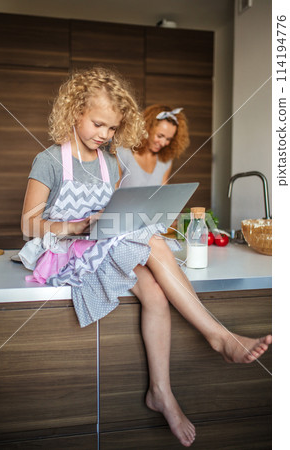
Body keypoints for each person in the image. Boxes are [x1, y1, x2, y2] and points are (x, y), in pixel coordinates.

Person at [19, 67, 271, 448]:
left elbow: (113, 209)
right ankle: (218, 336)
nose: (104, 135)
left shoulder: (112, 162)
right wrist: (78, 226)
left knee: (154, 294)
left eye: (112, 129)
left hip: (98, 243)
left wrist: (122, 219)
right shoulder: (50, 160)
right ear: (74, 112)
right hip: (63, 248)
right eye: (98, 124)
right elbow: (29, 225)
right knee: (152, 244)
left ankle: (161, 392)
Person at [117, 104, 190, 187]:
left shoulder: (165, 160)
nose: (163, 143)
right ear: (147, 128)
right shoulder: (123, 153)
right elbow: (113, 191)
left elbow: (162, 193)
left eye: (168, 139)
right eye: (160, 136)